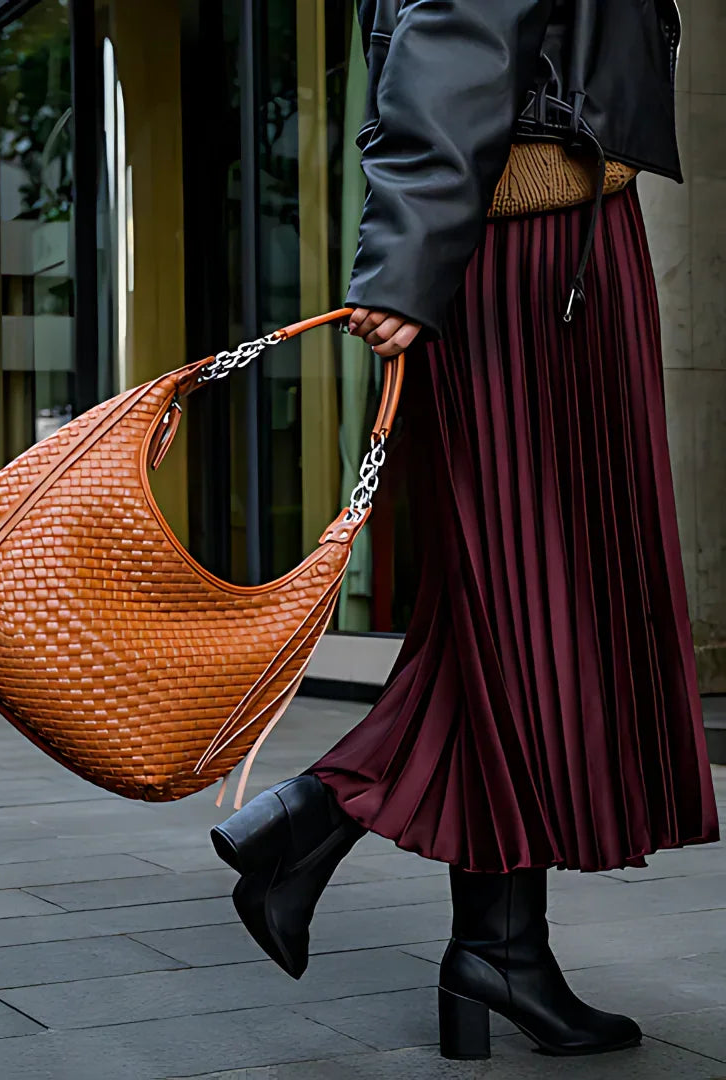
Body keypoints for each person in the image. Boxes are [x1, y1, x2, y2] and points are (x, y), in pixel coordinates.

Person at [210, 0, 719, 1062]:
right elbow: (452, 28)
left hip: (557, 242)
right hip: (526, 255)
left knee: (511, 605)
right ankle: (321, 810)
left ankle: (499, 948)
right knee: (537, 599)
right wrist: (406, 253)